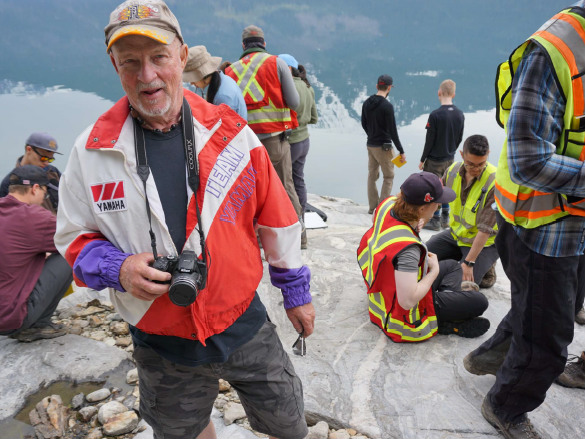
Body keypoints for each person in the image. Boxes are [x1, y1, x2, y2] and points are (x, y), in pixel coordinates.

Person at [54, 2, 314, 439]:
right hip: (161, 335)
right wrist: (116, 268)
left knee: (288, 424)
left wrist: (295, 292)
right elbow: (73, 238)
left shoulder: (232, 133)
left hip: (242, 319)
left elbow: (278, 219)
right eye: (130, 63)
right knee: (182, 432)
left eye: (158, 58)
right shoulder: (91, 151)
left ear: (181, 55)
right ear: (114, 65)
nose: (147, 76)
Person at [463, 4, 585, 438]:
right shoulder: (557, 52)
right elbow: (529, 159)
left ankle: (492, 356)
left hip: (572, 223)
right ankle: (505, 404)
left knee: (546, 308)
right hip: (543, 226)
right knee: (548, 340)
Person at [357, 172, 490, 343]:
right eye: (437, 204)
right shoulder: (408, 249)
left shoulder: (387, 205)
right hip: (401, 315)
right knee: (479, 302)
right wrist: (433, 272)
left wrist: (414, 224)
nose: (438, 207)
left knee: (452, 266)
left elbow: (384, 224)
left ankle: (443, 301)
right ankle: (442, 321)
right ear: (422, 208)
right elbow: (407, 301)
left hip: (385, 288)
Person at [225, 25, 302, 219]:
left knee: (252, 191)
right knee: (285, 187)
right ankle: (298, 236)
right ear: (264, 43)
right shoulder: (277, 63)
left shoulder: (229, 71)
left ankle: (257, 239)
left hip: (245, 143)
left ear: (243, 45)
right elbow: (295, 103)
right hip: (275, 140)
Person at [0, 166, 73, 343]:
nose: (44, 198)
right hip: (10, 319)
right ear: (35, 188)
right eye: (45, 192)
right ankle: (38, 325)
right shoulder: (35, 216)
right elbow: (73, 239)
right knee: (70, 254)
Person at [426, 135, 499, 289]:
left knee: (459, 285)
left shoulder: (494, 182)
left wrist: (469, 263)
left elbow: (485, 230)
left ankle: (485, 266)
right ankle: (462, 256)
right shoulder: (452, 170)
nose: (476, 169)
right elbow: (436, 200)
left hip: (485, 242)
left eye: (481, 164)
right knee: (422, 255)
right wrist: (420, 220)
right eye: (471, 164)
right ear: (461, 155)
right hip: (456, 235)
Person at [278, 55, 318, 249]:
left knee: (285, 183)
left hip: (290, 141)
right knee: (298, 179)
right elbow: (313, 118)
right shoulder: (307, 86)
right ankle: (300, 219)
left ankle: (289, 225)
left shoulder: (285, 87)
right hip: (304, 140)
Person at [419, 79, 465, 230]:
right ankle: (446, 218)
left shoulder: (435, 115)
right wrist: (451, 150)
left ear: (439, 93)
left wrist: (422, 159)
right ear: (454, 94)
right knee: (446, 186)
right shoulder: (459, 114)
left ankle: (435, 219)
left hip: (434, 160)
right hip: (449, 158)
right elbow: (459, 138)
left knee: (433, 188)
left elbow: (429, 140)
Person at [361, 74, 406, 215]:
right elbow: (393, 131)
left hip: (371, 145)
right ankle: (382, 208)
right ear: (389, 88)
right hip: (384, 146)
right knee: (389, 176)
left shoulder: (367, 102)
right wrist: (401, 150)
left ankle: (371, 207)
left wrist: (371, 135)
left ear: (376, 86)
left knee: (372, 175)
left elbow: (363, 123)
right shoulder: (387, 106)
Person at [0, 132, 62, 214]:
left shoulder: (54, 173)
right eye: (43, 158)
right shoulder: (9, 182)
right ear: (29, 149)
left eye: (50, 159)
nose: (47, 163)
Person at [182, 45, 247, 119]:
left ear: (203, 75)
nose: (191, 83)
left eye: (192, 79)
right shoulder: (223, 80)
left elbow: (225, 127)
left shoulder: (222, 96)